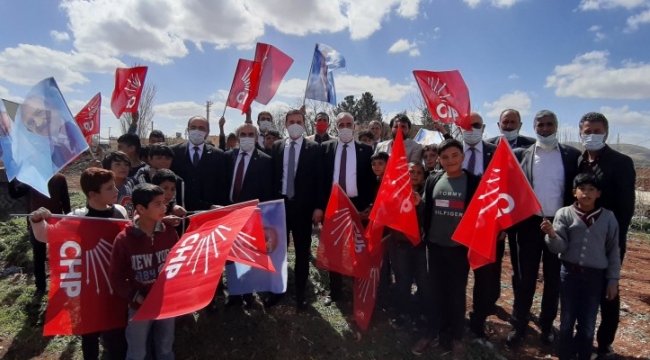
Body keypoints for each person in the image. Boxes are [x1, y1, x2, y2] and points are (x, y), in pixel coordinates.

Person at [29, 168, 129, 360]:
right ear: (92, 194)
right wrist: (37, 220)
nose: (116, 190)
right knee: (89, 334)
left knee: (117, 333)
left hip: (114, 285)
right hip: (88, 288)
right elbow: (45, 235)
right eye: (109, 188)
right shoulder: (77, 217)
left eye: (114, 185)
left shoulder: (120, 212)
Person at [507, 110, 581, 347]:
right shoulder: (520, 154)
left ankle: (547, 326)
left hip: (558, 225)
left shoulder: (572, 156)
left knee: (553, 279)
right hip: (528, 224)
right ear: (534, 127)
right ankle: (518, 326)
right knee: (524, 277)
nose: (545, 129)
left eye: (550, 124)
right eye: (541, 125)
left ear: (556, 126)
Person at [412, 139, 481, 358]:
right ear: (439, 160)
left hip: (459, 248)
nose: (450, 160)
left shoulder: (473, 182)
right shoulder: (433, 180)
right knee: (434, 291)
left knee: (456, 293)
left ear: (462, 157)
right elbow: (426, 208)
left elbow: (481, 214)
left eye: (454, 156)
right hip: (434, 245)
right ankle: (432, 332)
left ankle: (456, 337)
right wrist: (417, 203)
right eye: (445, 157)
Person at [575, 112, 635, 359]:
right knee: (582, 288)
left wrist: (617, 243)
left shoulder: (621, 162)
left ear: (606, 133)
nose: (592, 136)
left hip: (608, 238)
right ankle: (582, 336)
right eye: (587, 131)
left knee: (608, 292)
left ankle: (605, 342)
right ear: (580, 133)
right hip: (581, 236)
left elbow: (626, 207)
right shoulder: (580, 162)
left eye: (597, 131)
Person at [542, 173, 620, 360]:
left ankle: (583, 354)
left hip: (594, 278)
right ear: (574, 192)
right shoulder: (564, 214)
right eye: (582, 189)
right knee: (567, 320)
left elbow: (613, 252)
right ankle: (565, 355)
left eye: (591, 189)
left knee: (588, 323)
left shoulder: (608, 218)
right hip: (569, 275)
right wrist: (552, 234)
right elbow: (560, 247)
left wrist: (613, 280)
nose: (586, 193)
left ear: (598, 194)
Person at [110, 183, 179, 360]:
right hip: (139, 304)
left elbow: (178, 264)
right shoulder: (124, 239)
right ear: (141, 208)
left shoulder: (169, 232)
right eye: (158, 204)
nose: (164, 207)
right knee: (137, 351)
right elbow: (116, 276)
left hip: (165, 303)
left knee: (165, 345)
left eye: (164, 202)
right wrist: (136, 296)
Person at [269, 109, 324, 309]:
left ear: (303, 124)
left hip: (303, 209)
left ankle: (301, 292)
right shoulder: (276, 147)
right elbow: (272, 176)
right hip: (280, 207)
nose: (295, 124)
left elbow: (320, 179)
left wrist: (318, 206)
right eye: (291, 121)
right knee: (279, 251)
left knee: (302, 251)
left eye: (298, 121)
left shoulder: (314, 148)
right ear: (285, 124)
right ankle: (278, 289)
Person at [319, 112, 374, 306]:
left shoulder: (366, 151)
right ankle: (335, 293)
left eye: (348, 123)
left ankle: (358, 290)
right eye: (340, 124)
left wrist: (370, 206)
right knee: (335, 250)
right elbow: (321, 180)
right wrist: (320, 206)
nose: (344, 127)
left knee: (358, 250)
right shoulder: (325, 148)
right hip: (334, 207)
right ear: (335, 127)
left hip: (358, 207)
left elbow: (372, 180)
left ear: (354, 126)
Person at [223, 123, 274, 308]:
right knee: (230, 256)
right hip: (228, 212)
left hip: (252, 215)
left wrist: (263, 216)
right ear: (237, 137)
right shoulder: (227, 157)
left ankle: (248, 294)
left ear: (256, 137)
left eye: (250, 134)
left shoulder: (265, 160)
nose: (246, 137)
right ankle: (234, 294)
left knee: (247, 255)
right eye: (242, 134)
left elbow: (267, 192)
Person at [460, 112, 501, 339]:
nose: (470, 128)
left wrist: (501, 225)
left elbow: (504, 190)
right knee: (458, 274)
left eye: (475, 125)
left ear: (483, 127)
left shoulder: (496, 154)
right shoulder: (451, 152)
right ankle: (456, 315)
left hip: (487, 227)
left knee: (484, 277)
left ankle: (478, 318)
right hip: (458, 225)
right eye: (466, 125)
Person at [8, 175, 71, 296]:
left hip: (56, 223)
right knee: (39, 256)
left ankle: (60, 284)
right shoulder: (31, 179)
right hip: (36, 223)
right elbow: (15, 194)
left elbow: (65, 201)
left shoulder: (59, 179)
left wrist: (68, 222)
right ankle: (40, 287)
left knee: (58, 255)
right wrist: (11, 178)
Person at [170, 116, 229, 212]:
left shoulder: (218, 155)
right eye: (193, 127)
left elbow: (222, 185)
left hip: (209, 212)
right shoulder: (174, 152)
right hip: (180, 212)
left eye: (201, 128)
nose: (197, 131)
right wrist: (173, 205)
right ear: (188, 129)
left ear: (207, 131)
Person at [102, 151, 137, 218]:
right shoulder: (103, 187)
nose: (123, 167)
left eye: (126, 164)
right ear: (108, 168)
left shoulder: (132, 183)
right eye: (118, 164)